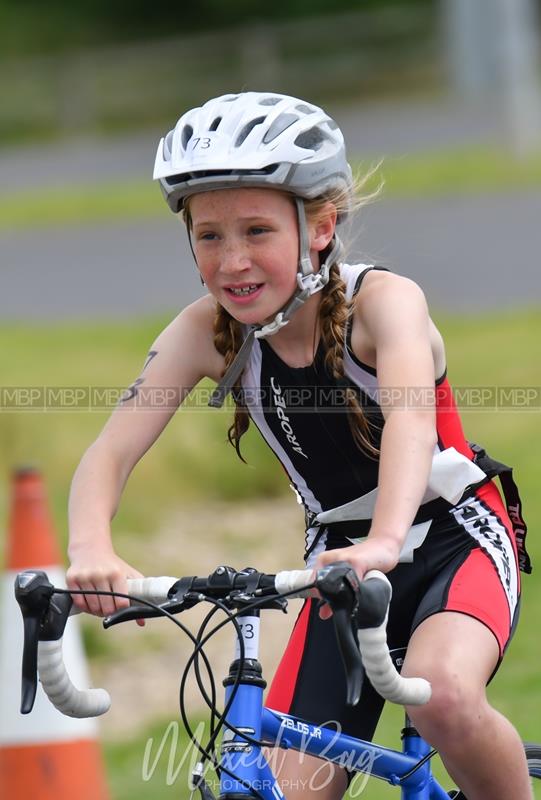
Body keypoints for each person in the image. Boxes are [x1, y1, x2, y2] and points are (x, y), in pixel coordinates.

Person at [66, 92, 532, 799]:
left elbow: (409, 419)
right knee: (270, 784)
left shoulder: (384, 304)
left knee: (440, 699)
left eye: (256, 231)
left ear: (319, 227)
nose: (232, 260)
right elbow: (109, 453)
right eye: (209, 236)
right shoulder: (203, 331)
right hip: (337, 569)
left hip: (450, 540)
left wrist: (384, 540)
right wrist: (88, 548)